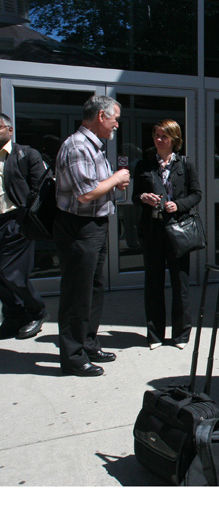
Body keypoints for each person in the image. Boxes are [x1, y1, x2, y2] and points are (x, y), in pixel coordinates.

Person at [54, 95, 130, 376]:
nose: (117, 125)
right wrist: (116, 179)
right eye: (115, 119)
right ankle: (73, 357)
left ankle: (87, 343)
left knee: (93, 289)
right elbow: (85, 194)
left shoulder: (93, 146)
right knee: (77, 293)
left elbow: (95, 186)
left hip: (94, 226)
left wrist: (112, 184)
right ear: (101, 116)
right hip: (78, 228)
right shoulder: (77, 146)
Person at [133, 119, 201, 350]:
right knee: (153, 283)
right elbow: (135, 197)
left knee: (180, 283)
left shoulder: (185, 164)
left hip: (178, 230)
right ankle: (155, 335)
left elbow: (197, 194)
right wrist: (144, 198)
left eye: (164, 136)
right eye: (156, 135)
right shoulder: (144, 165)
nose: (159, 140)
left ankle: (181, 335)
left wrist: (178, 205)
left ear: (174, 139)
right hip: (152, 230)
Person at [0, 112, 49, 340]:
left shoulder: (25, 154)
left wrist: (27, 215)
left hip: (16, 221)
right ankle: (13, 316)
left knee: (12, 273)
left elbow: (41, 187)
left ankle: (37, 311)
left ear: (10, 130)